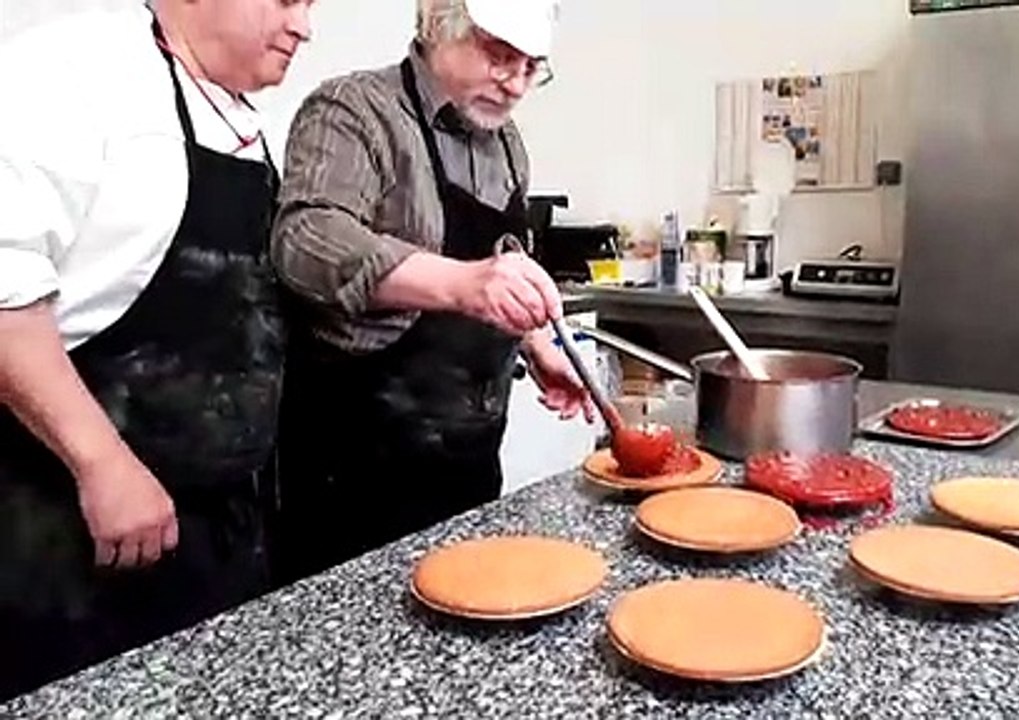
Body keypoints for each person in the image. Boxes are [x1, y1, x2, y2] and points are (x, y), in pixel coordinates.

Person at [0, 0, 312, 700]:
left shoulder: (239, 119)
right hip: (72, 535)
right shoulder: (73, 69)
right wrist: (101, 461)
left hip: (217, 529)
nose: (305, 26)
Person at [270, 0, 588, 582]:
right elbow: (307, 240)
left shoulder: (507, 142)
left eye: (531, 67)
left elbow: (503, 262)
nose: (515, 84)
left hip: (468, 466)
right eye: (499, 56)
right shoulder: (355, 110)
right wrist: (460, 283)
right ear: (438, 26)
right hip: (354, 479)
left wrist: (534, 342)